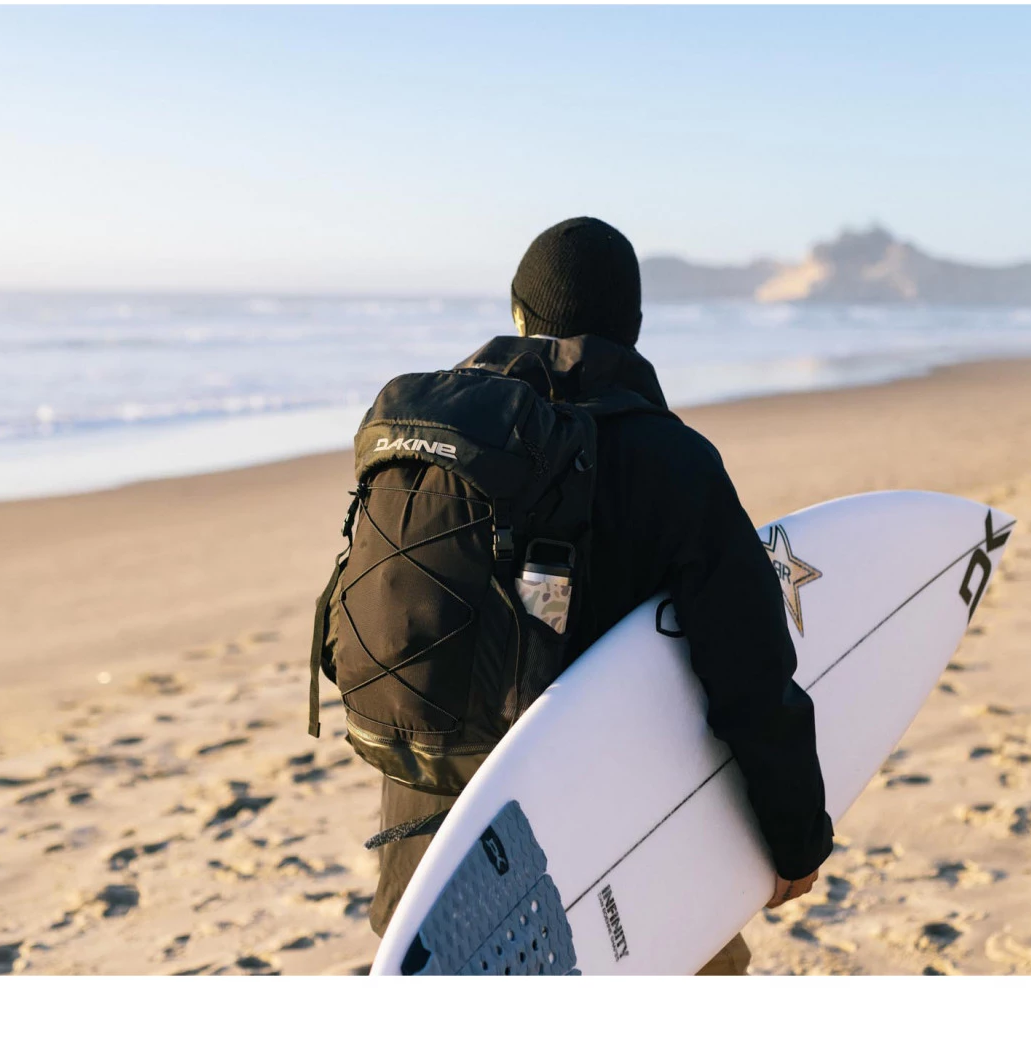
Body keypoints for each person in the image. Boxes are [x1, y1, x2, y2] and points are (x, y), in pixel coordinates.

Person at [351, 217, 833, 973]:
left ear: (517, 316)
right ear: (632, 329)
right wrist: (797, 840)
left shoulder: (438, 444)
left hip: (428, 866)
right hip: (601, 872)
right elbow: (751, 673)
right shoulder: (672, 459)